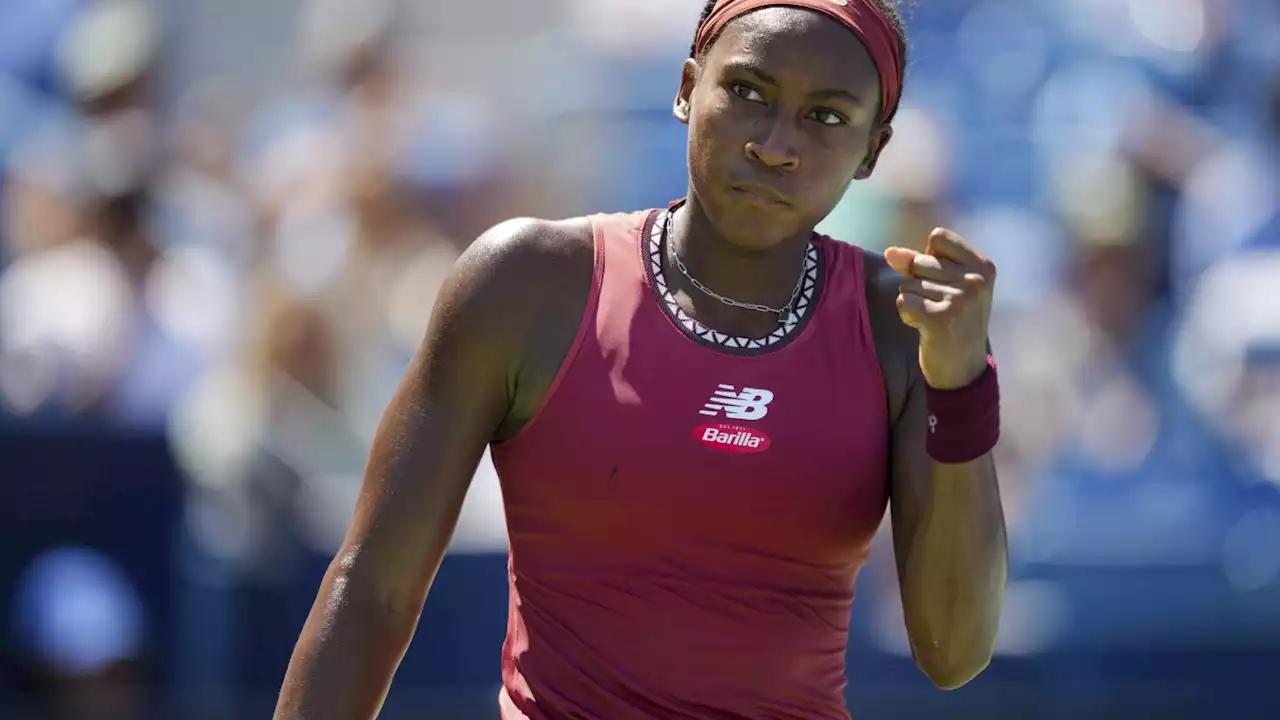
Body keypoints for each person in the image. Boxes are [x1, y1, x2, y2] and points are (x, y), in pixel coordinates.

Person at [274, 1, 1008, 718]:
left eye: (826, 116)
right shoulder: (527, 283)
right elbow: (373, 587)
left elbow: (954, 650)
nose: (777, 144)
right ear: (688, 89)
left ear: (872, 150)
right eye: (748, 93)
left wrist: (961, 385)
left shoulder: (901, 328)